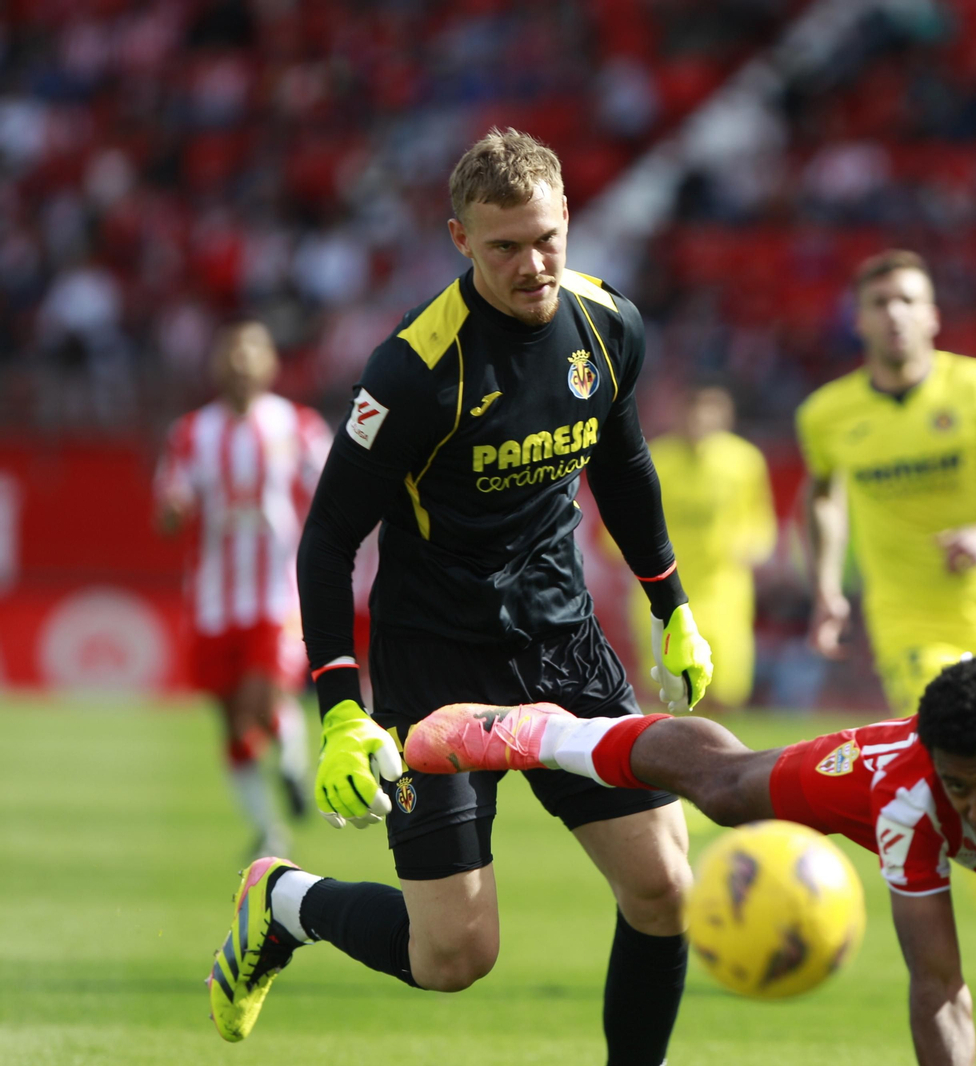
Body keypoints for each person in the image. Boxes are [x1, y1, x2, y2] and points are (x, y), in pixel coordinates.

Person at [204, 129, 715, 1064]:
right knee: (454, 956)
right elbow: (327, 542)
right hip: (435, 661)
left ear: (569, 220)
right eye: (505, 247)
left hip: (565, 646)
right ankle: (281, 901)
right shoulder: (412, 368)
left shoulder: (609, 326)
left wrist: (670, 602)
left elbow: (625, 465)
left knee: (664, 889)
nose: (533, 265)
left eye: (548, 238)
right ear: (459, 240)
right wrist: (340, 713)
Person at [407, 653, 976, 1066]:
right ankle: (538, 732)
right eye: (964, 787)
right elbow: (939, 987)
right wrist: (954, 793)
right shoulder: (915, 792)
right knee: (730, 790)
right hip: (915, 789)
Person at [797, 249, 976, 996]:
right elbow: (821, 497)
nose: (895, 313)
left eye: (908, 300)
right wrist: (827, 585)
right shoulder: (828, 415)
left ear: (933, 314)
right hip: (907, 622)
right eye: (880, 302)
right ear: (859, 320)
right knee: (965, 762)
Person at [154, 321, 327, 859]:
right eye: (231, 352)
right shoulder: (190, 433)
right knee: (232, 721)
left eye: (251, 352)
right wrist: (173, 512)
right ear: (216, 365)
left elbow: (338, 486)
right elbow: (168, 506)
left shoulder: (298, 426)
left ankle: (294, 762)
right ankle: (268, 829)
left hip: (277, 594)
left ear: (271, 363)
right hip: (212, 599)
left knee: (261, 697)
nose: (240, 363)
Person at [631, 383, 775, 710]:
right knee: (664, 683)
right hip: (662, 588)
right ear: (679, 413)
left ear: (727, 415)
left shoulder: (745, 462)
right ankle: (660, 753)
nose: (701, 419)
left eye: (711, 410)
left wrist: (753, 545)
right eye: (694, 410)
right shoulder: (654, 459)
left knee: (724, 687)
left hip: (723, 588)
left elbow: (759, 520)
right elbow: (624, 521)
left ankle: (714, 755)